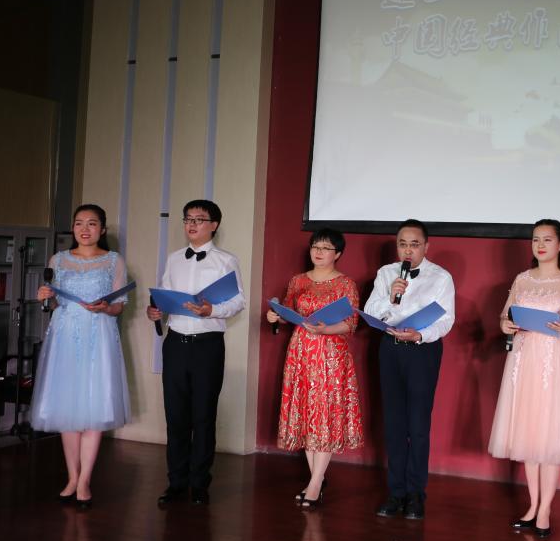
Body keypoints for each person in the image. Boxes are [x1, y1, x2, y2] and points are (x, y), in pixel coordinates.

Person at [488, 219, 560, 540]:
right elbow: (506, 315)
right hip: (525, 360)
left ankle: (545, 509)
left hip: (557, 361)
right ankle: (532, 505)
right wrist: (505, 325)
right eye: (536, 239)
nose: (540, 245)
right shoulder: (522, 279)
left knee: (552, 435)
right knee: (529, 433)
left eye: (547, 239)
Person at [31, 204, 131, 510]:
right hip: (64, 336)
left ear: (102, 229)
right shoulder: (58, 259)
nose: (84, 229)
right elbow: (52, 301)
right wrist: (44, 297)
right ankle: (72, 477)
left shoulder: (114, 260)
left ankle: (85, 479)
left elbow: (120, 305)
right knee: (67, 408)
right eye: (79, 223)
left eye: (92, 223)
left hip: (99, 336)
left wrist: (105, 307)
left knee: (94, 406)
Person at [146, 199, 245, 506]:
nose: (191, 224)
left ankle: (199, 484)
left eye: (198, 219)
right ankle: (176, 483)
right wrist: (155, 311)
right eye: (187, 219)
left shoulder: (226, 260)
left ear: (214, 225)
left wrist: (210, 310)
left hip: (207, 346)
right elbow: (164, 295)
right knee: (176, 417)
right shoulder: (174, 258)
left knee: (203, 416)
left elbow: (238, 302)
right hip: (175, 343)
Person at [363, 219, 455, 520]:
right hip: (390, 349)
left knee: (417, 425)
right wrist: (390, 298)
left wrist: (420, 335)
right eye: (403, 244)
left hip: (422, 351)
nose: (408, 250)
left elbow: (445, 321)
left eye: (414, 244)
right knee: (393, 423)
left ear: (426, 246)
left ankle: (416, 494)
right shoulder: (386, 273)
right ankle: (396, 492)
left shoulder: (441, 277)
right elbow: (371, 311)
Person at [266, 227, 363, 509]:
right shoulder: (298, 280)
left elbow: (351, 323)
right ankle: (316, 480)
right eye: (315, 246)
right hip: (300, 352)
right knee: (306, 411)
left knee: (324, 413)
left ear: (338, 254)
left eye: (325, 248)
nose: (318, 252)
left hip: (330, 354)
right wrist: (275, 316)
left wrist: (325, 329)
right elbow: (287, 313)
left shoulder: (346, 284)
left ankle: (316, 483)